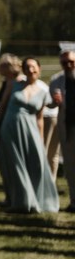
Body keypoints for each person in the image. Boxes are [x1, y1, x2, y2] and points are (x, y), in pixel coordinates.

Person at [0, 57, 59, 213]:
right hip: (10, 127)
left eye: (33, 67)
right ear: (23, 69)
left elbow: (40, 118)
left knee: (35, 164)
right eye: (27, 67)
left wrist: (41, 140)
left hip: (31, 130)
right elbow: (2, 107)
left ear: (39, 69)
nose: (31, 70)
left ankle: (35, 198)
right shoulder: (14, 85)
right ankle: (19, 200)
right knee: (13, 164)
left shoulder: (43, 92)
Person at [51, 51, 75, 211]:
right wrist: (54, 101)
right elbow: (51, 105)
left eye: (71, 62)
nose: (68, 65)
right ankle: (74, 201)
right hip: (67, 127)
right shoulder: (56, 80)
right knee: (70, 166)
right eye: (64, 62)